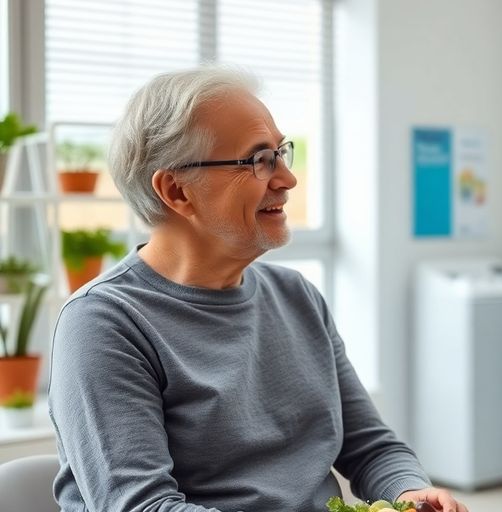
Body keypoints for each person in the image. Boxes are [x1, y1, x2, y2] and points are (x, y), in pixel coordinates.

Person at [48, 67, 467, 512]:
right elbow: (141, 507)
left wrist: (407, 492)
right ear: (177, 190)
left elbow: (371, 449)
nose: (287, 179)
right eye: (259, 159)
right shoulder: (103, 323)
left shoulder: (296, 296)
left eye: (281, 153)